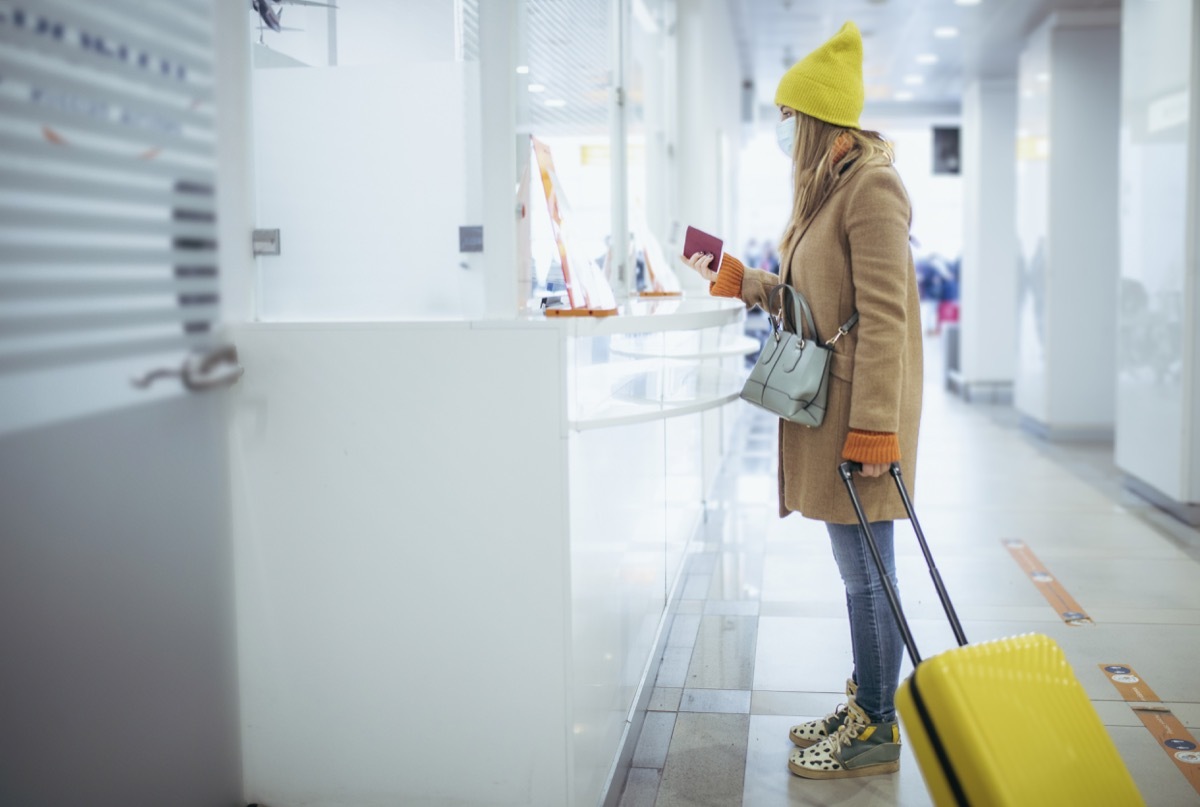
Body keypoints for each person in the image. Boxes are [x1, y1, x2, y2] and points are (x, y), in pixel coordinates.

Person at [682, 21, 922, 780]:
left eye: (792, 120)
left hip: (861, 419)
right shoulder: (833, 190)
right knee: (858, 569)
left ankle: (877, 724)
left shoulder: (873, 189)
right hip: (837, 413)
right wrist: (735, 277)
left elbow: (885, 319)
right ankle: (867, 699)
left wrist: (877, 430)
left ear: (820, 121)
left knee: (869, 570)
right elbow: (810, 299)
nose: (785, 133)